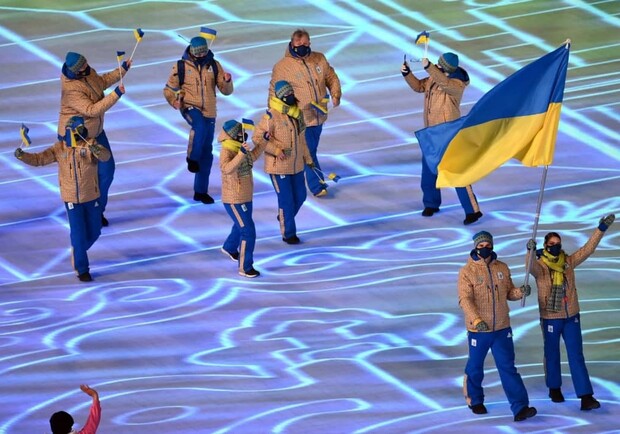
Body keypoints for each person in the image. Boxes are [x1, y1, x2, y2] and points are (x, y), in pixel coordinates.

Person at [526, 213, 615, 411]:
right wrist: (529, 252)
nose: (555, 246)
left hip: (571, 316)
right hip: (550, 317)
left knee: (576, 355)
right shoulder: (540, 267)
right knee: (552, 353)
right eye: (552, 243)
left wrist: (600, 229)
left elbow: (588, 249)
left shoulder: (567, 262)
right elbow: (529, 267)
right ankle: (554, 387)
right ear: (545, 245)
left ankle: (586, 396)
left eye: (558, 243)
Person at [15, 116, 111, 282]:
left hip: (91, 196)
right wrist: (23, 156)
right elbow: (39, 159)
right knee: (78, 235)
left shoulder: (90, 144)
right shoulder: (59, 148)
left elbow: (105, 156)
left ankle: (78, 250)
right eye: (76, 129)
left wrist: (98, 150)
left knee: (95, 231)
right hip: (71, 200)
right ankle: (82, 269)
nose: (81, 131)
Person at [458, 231, 537, 422]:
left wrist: (520, 292)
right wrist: (477, 320)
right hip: (479, 330)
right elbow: (465, 300)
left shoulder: (501, 267)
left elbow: (509, 292)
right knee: (475, 366)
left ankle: (520, 407)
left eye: (488, 245)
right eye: (481, 246)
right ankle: (475, 400)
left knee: (508, 367)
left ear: (492, 246)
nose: (484, 248)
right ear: (475, 247)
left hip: (501, 328)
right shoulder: (467, 272)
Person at [402, 52, 482, 225]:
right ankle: (431, 204)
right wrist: (407, 74)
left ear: (446, 67)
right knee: (428, 173)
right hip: (432, 134)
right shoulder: (435, 76)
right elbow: (419, 86)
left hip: (448, 135)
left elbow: (445, 84)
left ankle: (472, 211)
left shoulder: (457, 84)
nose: (437, 65)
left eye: (440, 64)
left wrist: (429, 68)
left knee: (457, 172)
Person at [59, 51, 129, 227]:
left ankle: (96, 212)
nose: (86, 65)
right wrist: (116, 94)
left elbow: (101, 82)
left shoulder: (88, 72)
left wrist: (122, 70)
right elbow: (91, 110)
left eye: (85, 62)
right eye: (82, 65)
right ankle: (84, 214)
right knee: (84, 180)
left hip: (96, 133)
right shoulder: (71, 89)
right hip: (77, 138)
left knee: (107, 171)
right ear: (75, 70)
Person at [269, 28, 341, 198]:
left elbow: (331, 77)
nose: (302, 46)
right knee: (308, 150)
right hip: (299, 117)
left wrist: (336, 94)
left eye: (305, 43)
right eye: (299, 43)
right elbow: (274, 91)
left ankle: (295, 174)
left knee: (310, 148)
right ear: (292, 43)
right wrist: (272, 116)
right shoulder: (283, 67)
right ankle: (317, 185)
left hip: (319, 114)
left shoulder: (319, 59)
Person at [164, 35, 234, 205]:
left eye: (204, 52)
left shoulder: (214, 65)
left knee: (207, 153)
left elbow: (226, 91)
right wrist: (174, 101)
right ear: (192, 51)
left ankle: (201, 191)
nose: (201, 55)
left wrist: (227, 81)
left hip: (209, 110)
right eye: (198, 53)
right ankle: (192, 158)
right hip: (189, 106)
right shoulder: (181, 66)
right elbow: (169, 89)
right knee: (199, 127)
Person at [254, 80, 313, 244]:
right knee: (286, 200)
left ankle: (284, 217)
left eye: (291, 92)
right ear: (280, 96)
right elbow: (257, 138)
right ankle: (288, 233)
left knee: (300, 196)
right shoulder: (271, 116)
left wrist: (308, 159)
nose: (290, 95)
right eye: (286, 94)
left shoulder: (297, 114)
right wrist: (276, 150)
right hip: (278, 167)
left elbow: (302, 140)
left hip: (296, 165)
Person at [219, 120, 264, 278]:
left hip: (245, 195)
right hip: (234, 199)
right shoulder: (227, 151)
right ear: (233, 135)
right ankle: (245, 267)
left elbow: (252, 157)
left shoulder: (239, 147)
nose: (243, 135)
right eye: (240, 133)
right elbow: (226, 169)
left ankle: (229, 247)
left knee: (240, 226)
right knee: (248, 231)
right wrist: (240, 154)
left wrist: (264, 141)